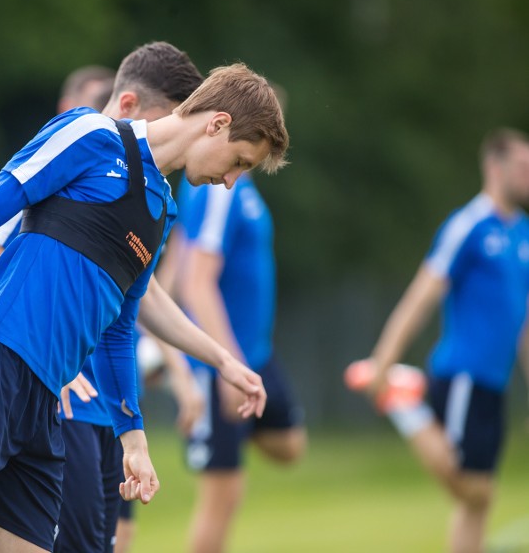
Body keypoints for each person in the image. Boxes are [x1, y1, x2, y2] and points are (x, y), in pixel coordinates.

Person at [0, 61, 288, 553]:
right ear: (218, 123)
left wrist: (134, 438)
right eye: (240, 162)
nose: (231, 181)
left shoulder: (161, 208)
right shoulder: (92, 135)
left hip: (42, 399)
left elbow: (118, 325)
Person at [0, 42, 206, 553]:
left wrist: (202, 369)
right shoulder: (66, 173)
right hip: (57, 405)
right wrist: (59, 360)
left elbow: (136, 306)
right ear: (127, 106)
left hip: (104, 414)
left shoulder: (146, 200)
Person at [348, 128, 529, 553]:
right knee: (471, 489)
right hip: (463, 371)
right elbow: (421, 295)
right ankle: (404, 402)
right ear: (494, 167)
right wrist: (384, 359)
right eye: (522, 166)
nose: (528, 175)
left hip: (494, 383)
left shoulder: (523, 235)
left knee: (480, 499)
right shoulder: (468, 226)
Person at [173, 146, 307, 553]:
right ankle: (210, 422)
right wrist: (225, 368)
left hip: (255, 354)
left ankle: (221, 431)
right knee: (222, 496)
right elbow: (195, 282)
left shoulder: (240, 185)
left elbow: (176, 268)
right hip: (224, 363)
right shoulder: (217, 191)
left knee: (290, 444)